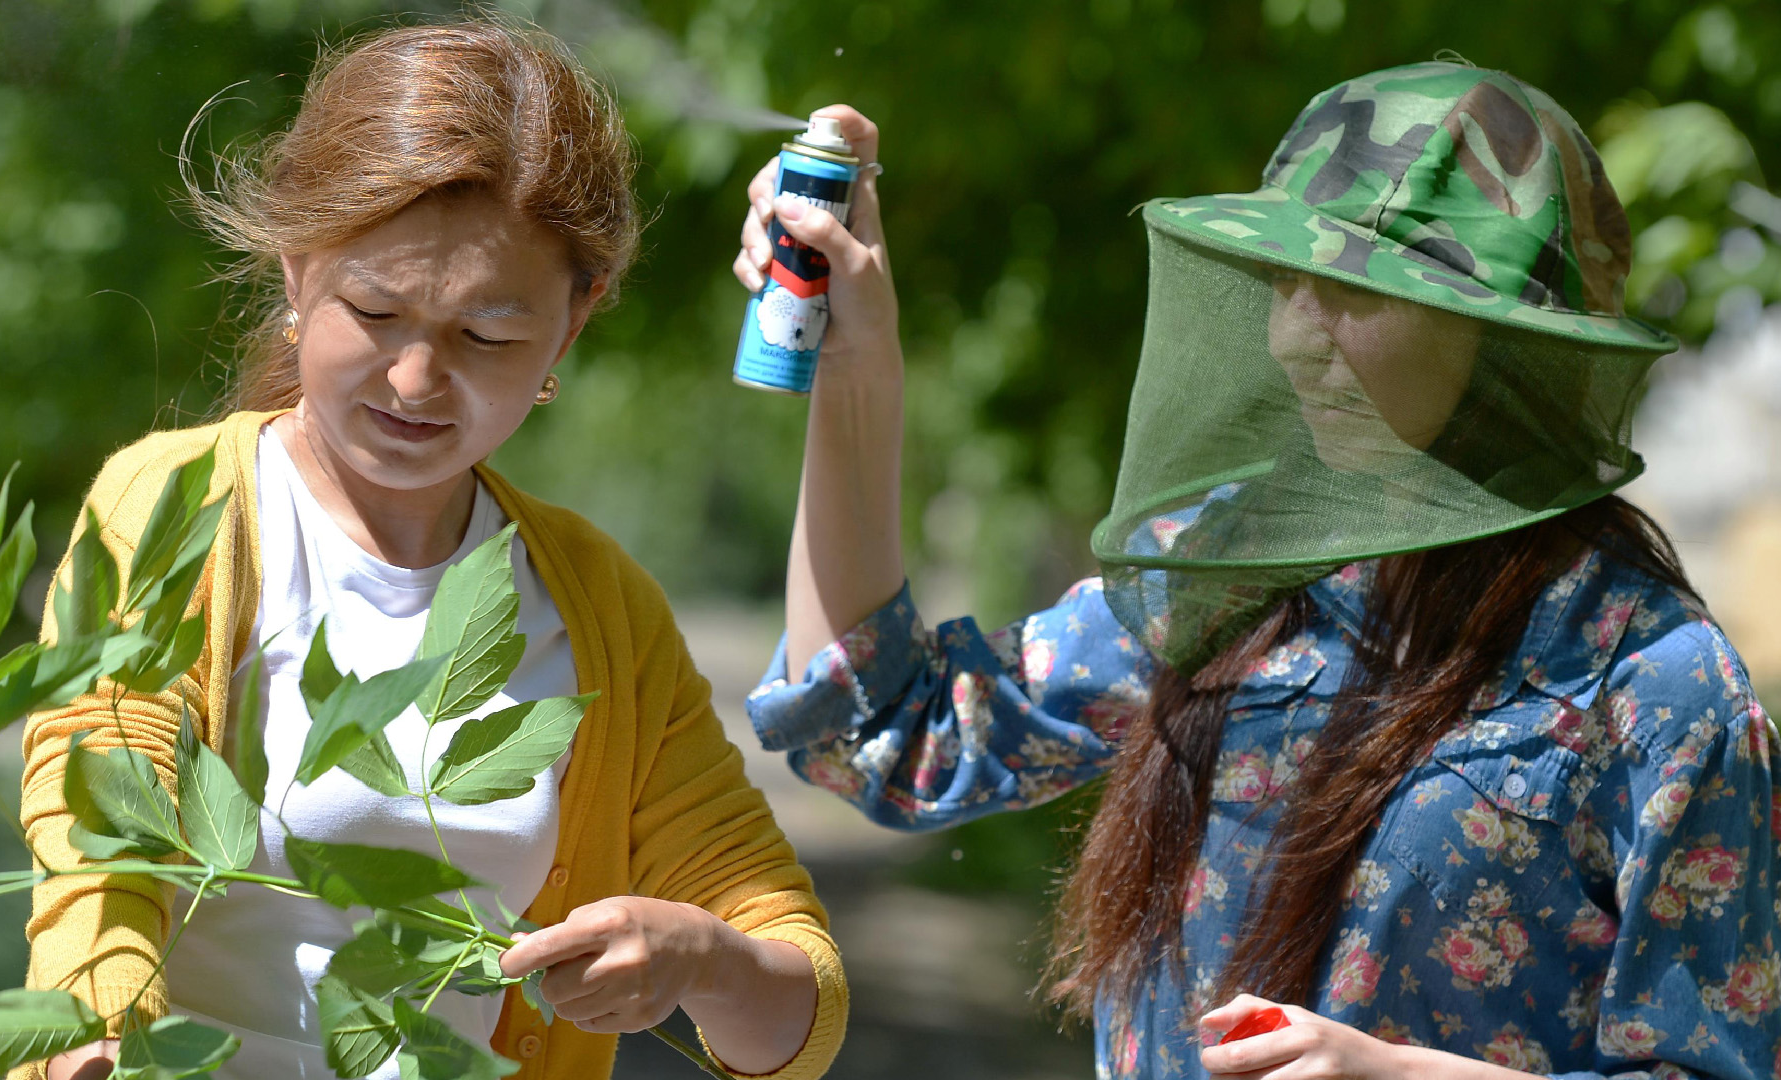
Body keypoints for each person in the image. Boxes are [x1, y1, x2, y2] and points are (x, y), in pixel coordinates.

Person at [739, 66, 1779, 1079]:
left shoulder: (1653, 683)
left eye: (1357, 290)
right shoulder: (1223, 566)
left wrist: (1398, 1075)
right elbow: (883, 736)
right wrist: (856, 368)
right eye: (1289, 280)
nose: (1296, 335)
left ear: (1507, 342)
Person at [19, 19, 844, 1080]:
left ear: (572, 325)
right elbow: (100, 832)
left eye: (487, 336)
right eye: (375, 309)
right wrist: (94, 1034)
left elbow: (795, 1003)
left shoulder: (599, 603)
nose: (415, 381)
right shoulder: (174, 507)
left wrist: (706, 961)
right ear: (296, 268)